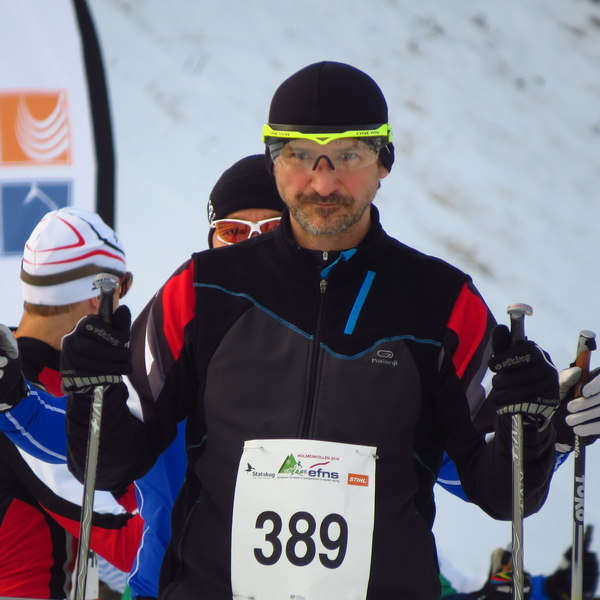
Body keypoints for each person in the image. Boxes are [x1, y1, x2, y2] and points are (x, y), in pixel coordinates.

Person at [14, 62, 561, 598]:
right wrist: (93, 389)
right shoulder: (199, 290)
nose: (323, 181)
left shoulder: (442, 302)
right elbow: (108, 464)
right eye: (300, 155)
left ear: (384, 162)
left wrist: (531, 421)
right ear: (274, 163)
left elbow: (504, 495)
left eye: (349, 155)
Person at [0, 156, 286, 600]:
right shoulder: (153, 352)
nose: (252, 246)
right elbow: (120, 525)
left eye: (272, 229)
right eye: (233, 231)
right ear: (98, 296)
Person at [0, 207, 142, 599]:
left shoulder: (19, 372)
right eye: (124, 285)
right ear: (100, 297)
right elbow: (132, 543)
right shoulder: (23, 396)